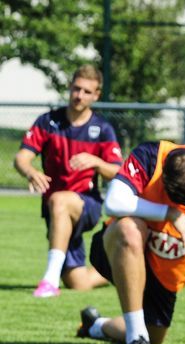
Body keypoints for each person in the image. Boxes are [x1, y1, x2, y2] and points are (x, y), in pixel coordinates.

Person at [76, 140, 185, 344]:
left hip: (165, 270)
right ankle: (136, 339)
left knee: (155, 335)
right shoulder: (149, 156)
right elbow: (113, 202)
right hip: (119, 249)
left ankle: (96, 326)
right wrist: (170, 213)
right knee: (129, 228)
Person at [14, 65, 122, 297]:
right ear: (70, 87)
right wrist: (30, 172)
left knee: (60, 200)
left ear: (96, 95)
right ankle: (122, 267)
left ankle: (49, 282)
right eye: (76, 89)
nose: (79, 95)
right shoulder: (48, 122)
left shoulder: (102, 129)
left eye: (86, 91)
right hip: (55, 209)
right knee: (78, 281)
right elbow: (21, 159)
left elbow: (117, 171)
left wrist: (96, 162)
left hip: (87, 205)